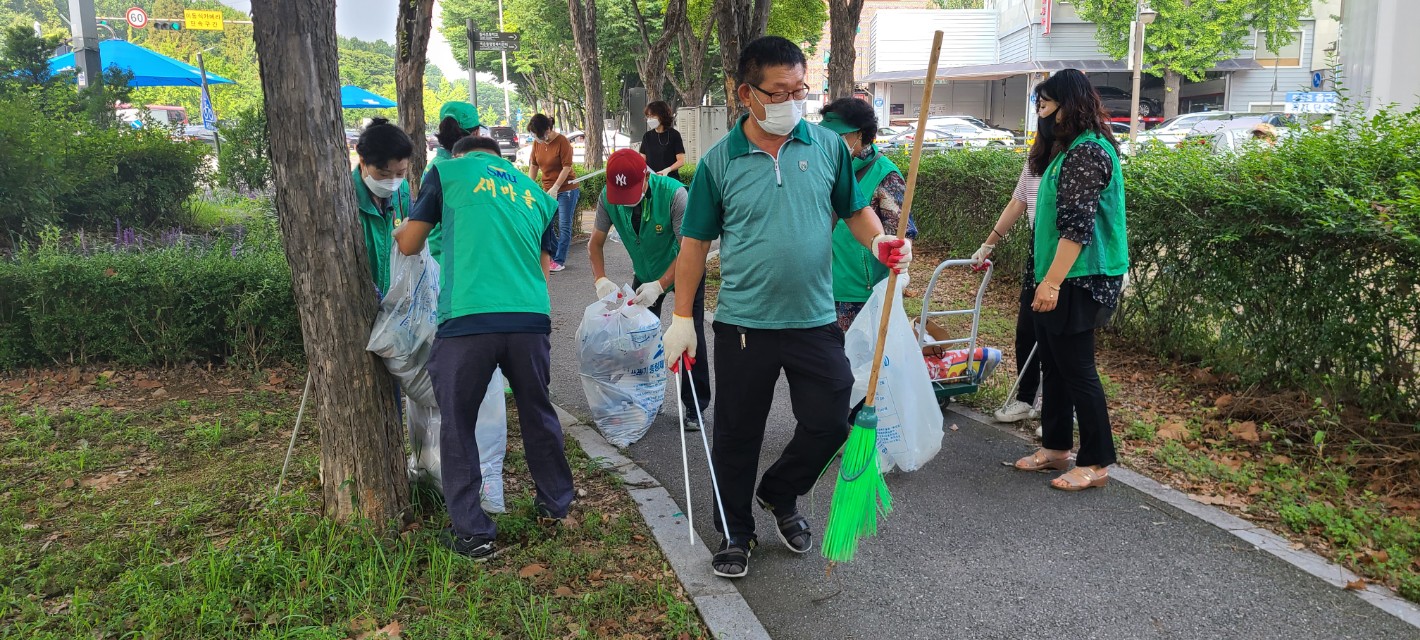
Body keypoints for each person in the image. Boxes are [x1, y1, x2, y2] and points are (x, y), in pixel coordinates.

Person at [660, 36, 912, 579]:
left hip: (814, 320)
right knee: (737, 434)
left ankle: (780, 492)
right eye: (781, 91)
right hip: (743, 325)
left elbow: (856, 210)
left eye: (801, 89)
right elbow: (694, 245)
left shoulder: (825, 148)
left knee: (829, 423)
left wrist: (879, 243)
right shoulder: (720, 162)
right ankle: (734, 530)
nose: (793, 101)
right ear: (745, 93)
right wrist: (683, 317)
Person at [393, 137, 574, 559]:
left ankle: (474, 534)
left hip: (468, 318)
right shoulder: (536, 194)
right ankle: (556, 505)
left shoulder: (449, 173)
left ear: (461, 154)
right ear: (500, 157)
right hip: (530, 318)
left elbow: (410, 244)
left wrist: (404, 227)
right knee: (538, 411)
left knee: (457, 422)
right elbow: (543, 266)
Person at [1010, 69, 1128, 492]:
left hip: (1081, 278)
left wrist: (1052, 282)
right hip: (1057, 275)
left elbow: (1076, 226)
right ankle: (1057, 447)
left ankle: (1096, 462)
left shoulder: (1088, 152)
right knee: (1053, 364)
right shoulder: (1067, 150)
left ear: (1067, 105)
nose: (1040, 113)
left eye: (1044, 105)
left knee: (1077, 369)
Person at [588, 149, 711, 427]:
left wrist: (661, 285)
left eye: (632, 191)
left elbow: (689, 249)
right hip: (645, 274)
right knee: (637, 336)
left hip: (683, 271)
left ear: (646, 176)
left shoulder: (675, 195)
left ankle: (694, 406)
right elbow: (594, 243)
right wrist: (600, 279)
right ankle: (643, 399)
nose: (626, 202)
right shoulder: (607, 198)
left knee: (689, 335)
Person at [817, 97, 918, 332]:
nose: (832, 141)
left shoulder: (885, 175)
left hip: (862, 295)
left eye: (840, 135)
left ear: (861, 135)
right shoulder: (825, 167)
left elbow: (900, 233)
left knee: (858, 365)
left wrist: (902, 256)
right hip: (822, 289)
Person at [972, 152, 1044, 426]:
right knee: (1026, 330)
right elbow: (1018, 202)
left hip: (1064, 250)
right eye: (1040, 107)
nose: (1043, 114)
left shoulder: (1072, 155)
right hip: (1038, 249)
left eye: (1047, 106)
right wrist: (989, 243)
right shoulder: (1036, 158)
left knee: (1055, 337)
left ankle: (1058, 411)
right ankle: (1026, 399)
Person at [353, 117, 413, 297]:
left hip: (395, 300)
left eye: (400, 173)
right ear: (363, 162)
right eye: (383, 174)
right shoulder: (347, 196)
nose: (392, 181)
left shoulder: (402, 190)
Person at [424, 101, 484, 265]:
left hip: (437, 257)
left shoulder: (434, 167)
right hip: (458, 260)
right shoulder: (467, 170)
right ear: (475, 133)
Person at [527, 114, 578, 273]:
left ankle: (559, 260)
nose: (538, 139)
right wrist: (529, 186)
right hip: (546, 189)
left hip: (566, 189)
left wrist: (556, 187)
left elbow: (566, 167)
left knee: (564, 224)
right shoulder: (537, 143)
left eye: (540, 135)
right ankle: (554, 254)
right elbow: (534, 166)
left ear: (548, 129)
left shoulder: (562, 141)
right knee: (545, 223)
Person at [639, 101, 687, 182]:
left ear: (662, 116)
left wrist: (668, 170)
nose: (650, 119)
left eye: (653, 116)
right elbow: (641, 160)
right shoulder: (647, 136)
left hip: (670, 181)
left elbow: (681, 161)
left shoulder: (674, 135)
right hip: (651, 181)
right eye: (648, 116)